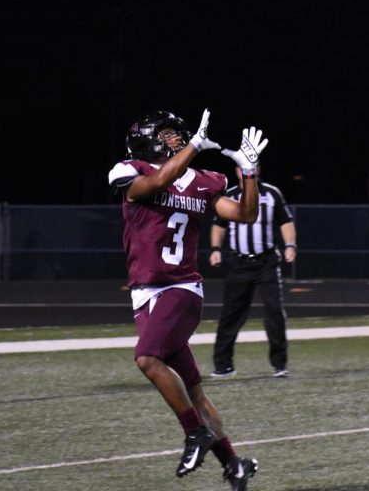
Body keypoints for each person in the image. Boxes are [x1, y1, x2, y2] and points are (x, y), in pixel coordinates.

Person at [107, 108, 266, 490]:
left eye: (177, 134)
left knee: (147, 358)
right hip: (147, 294)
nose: (175, 138)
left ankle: (195, 434)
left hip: (181, 288)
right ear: (146, 139)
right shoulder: (129, 171)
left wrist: (250, 173)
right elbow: (158, 181)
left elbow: (245, 213)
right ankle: (234, 464)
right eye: (166, 133)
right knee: (193, 390)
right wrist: (194, 146)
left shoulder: (205, 180)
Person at [208, 163, 296, 378]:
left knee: (274, 312)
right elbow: (219, 224)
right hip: (239, 263)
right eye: (241, 167)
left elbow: (285, 221)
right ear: (236, 171)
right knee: (231, 314)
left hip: (266, 261)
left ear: (258, 169)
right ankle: (223, 365)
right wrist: (216, 249)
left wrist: (290, 245)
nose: (246, 170)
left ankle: (279, 364)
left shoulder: (271, 193)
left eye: (252, 166)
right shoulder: (229, 194)